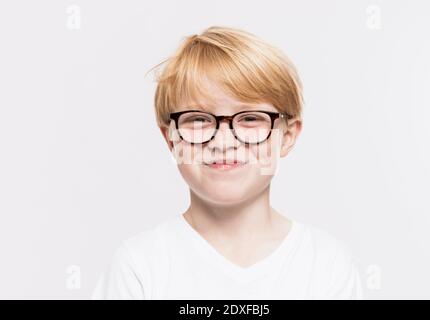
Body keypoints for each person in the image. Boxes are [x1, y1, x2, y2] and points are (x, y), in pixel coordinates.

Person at [92, 26, 363, 299]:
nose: (223, 142)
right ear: (171, 139)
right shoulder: (139, 267)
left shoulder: (327, 266)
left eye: (250, 118)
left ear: (287, 136)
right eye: (198, 120)